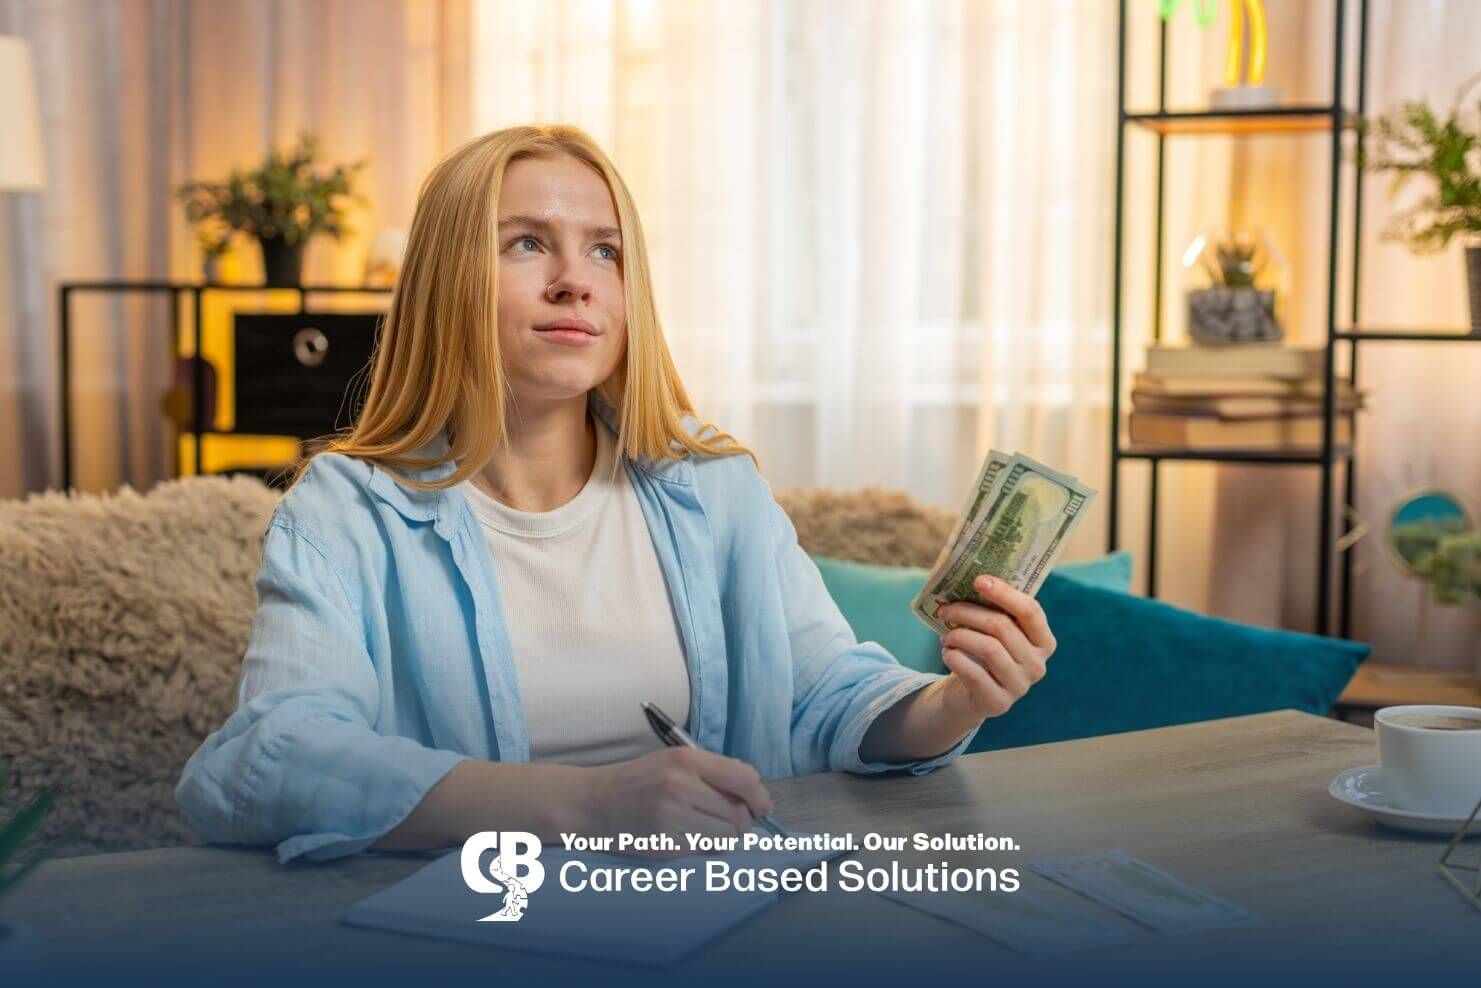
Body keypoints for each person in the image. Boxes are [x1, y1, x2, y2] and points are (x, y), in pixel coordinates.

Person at [175, 124, 1057, 865]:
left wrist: (953, 703)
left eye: (605, 250)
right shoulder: (345, 510)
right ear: (447, 280)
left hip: (718, 917)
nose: (575, 279)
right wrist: (585, 805)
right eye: (527, 242)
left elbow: (823, 692)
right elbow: (271, 758)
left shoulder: (715, 488)